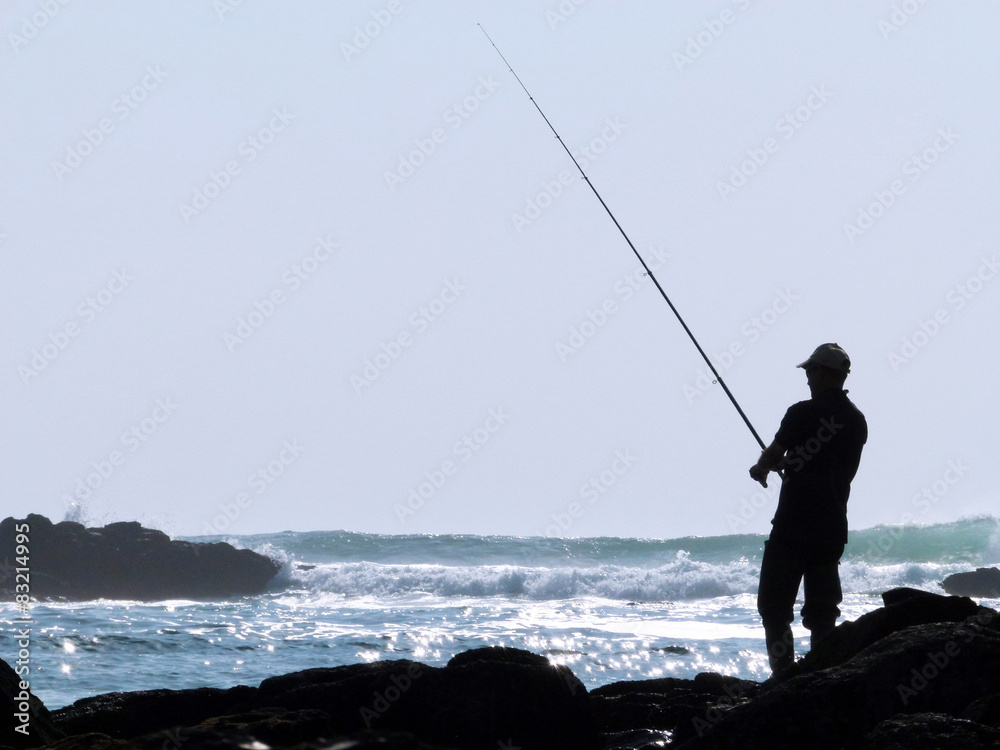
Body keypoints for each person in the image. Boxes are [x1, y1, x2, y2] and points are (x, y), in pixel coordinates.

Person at [748, 343, 867, 675]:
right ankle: (821, 676)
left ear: (826, 374)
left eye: (811, 372)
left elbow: (773, 457)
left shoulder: (801, 413)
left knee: (774, 609)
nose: (808, 379)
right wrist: (796, 463)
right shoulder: (857, 421)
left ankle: (784, 677)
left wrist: (762, 468)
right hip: (831, 528)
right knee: (823, 612)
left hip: (792, 526)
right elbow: (833, 467)